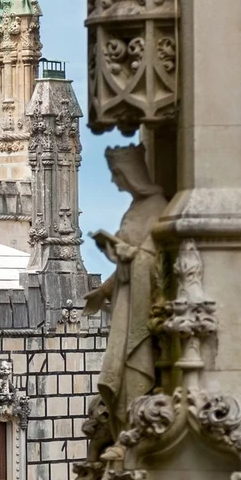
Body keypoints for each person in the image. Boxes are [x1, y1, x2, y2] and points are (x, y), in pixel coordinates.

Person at [86, 145, 170, 436]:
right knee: (116, 376)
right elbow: (132, 261)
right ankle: (125, 430)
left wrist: (126, 252)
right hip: (125, 299)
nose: (114, 182)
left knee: (130, 373)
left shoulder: (158, 207)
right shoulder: (136, 208)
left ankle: (133, 431)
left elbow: (155, 260)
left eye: (118, 174)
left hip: (137, 308)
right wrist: (103, 290)